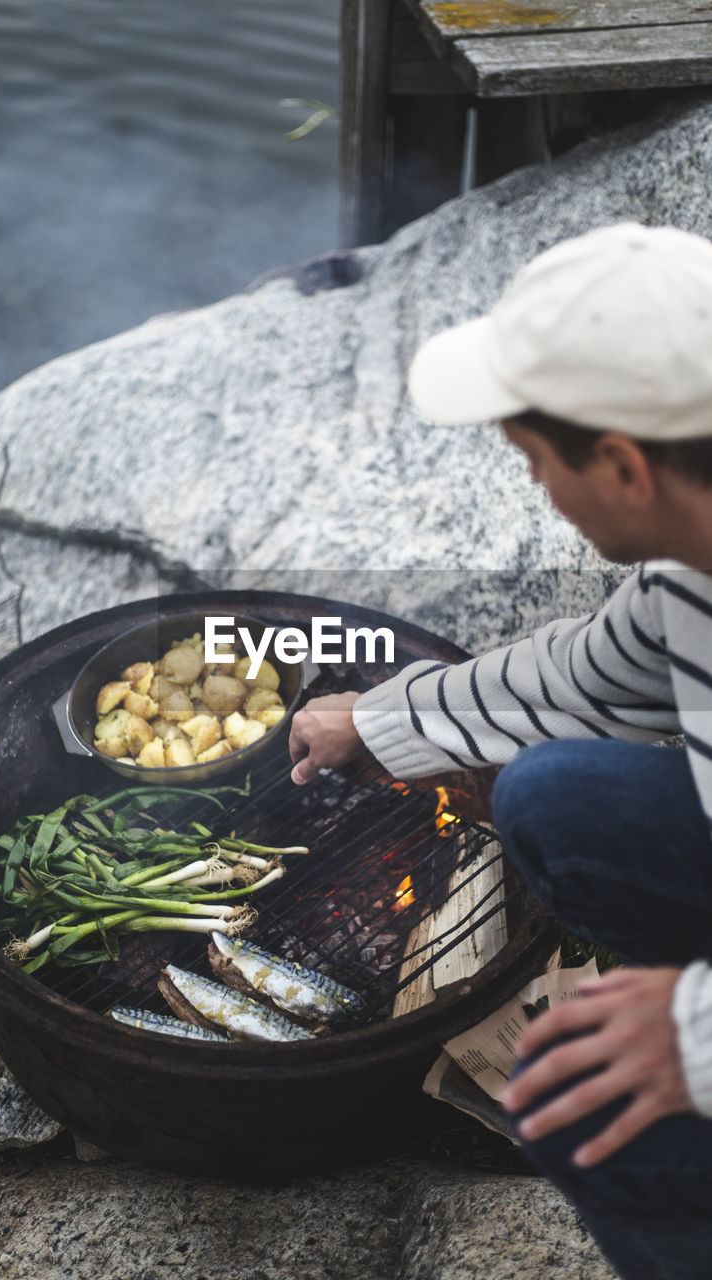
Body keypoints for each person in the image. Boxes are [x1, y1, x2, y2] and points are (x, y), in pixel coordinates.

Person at [287, 222, 712, 1280]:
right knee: (555, 791)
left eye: (531, 462)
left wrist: (688, 1030)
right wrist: (375, 721)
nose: (535, 489)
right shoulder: (688, 572)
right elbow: (577, 675)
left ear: (619, 463)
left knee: (585, 1099)